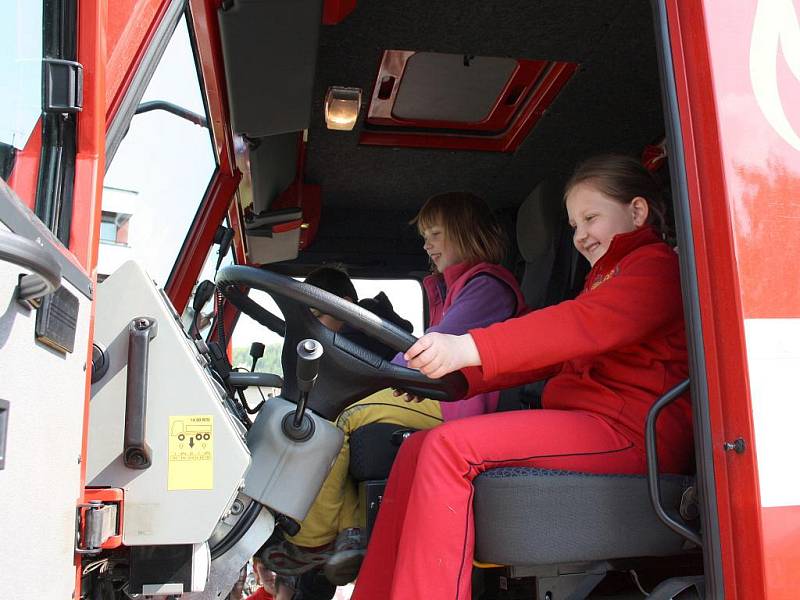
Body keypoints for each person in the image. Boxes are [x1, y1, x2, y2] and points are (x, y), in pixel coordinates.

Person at [350, 155, 694, 600]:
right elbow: (549, 357)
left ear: (637, 211)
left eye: (591, 218)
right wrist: (455, 376)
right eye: (573, 225)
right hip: (594, 422)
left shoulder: (656, 268)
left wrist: (465, 346)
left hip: (633, 433)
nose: (581, 235)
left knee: (448, 448)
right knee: (417, 447)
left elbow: (577, 327)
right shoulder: (607, 277)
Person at [263, 192, 525, 587]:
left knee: (345, 414)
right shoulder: (455, 289)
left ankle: (311, 541)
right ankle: (349, 532)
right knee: (332, 410)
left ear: (466, 235)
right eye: (425, 236)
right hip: (444, 397)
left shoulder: (485, 285)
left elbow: (439, 344)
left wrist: (390, 374)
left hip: (461, 404)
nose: (427, 245)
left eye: (435, 234)